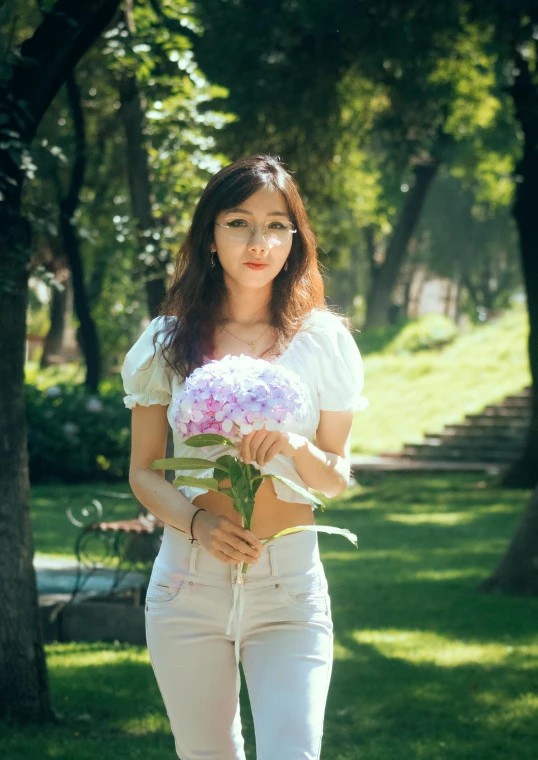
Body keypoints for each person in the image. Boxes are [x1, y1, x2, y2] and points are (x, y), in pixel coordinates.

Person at [121, 154, 365, 760]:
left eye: (277, 225)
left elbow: (335, 480)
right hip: (187, 586)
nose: (260, 242)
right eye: (238, 223)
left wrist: (294, 446)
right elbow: (144, 471)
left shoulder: (324, 342)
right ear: (211, 235)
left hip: (290, 589)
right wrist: (199, 523)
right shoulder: (163, 344)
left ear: (295, 239)